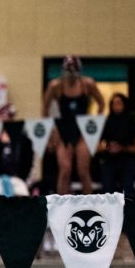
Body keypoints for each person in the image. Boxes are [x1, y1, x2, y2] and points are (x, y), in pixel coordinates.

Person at [42, 55, 104, 195]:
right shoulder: (55, 86)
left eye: (74, 74)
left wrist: (94, 128)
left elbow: (101, 103)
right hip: (63, 129)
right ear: (63, 72)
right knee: (65, 170)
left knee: (83, 171)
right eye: (68, 74)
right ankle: (62, 205)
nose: (71, 77)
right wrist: (51, 133)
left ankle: (89, 203)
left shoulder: (87, 84)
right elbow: (45, 109)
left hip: (82, 131)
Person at [100, 93, 135, 197]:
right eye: (113, 104)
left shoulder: (133, 122)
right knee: (108, 190)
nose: (116, 106)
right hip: (109, 159)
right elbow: (98, 146)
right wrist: (108, 148)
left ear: (124, 104)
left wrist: (122, 148)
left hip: (127, 159)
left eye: (119, 103)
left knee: (127, 191)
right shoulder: (107, 121)